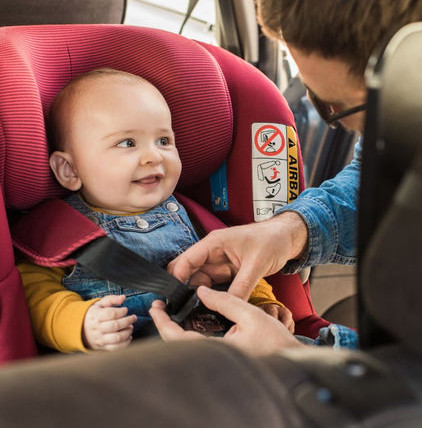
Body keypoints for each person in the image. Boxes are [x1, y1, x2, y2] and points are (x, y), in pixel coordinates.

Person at [149, 0, 422, 355]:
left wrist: (301, 360)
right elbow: (381, 176)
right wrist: (287, 232)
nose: (338, 123)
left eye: (341, 106)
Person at [17, 68, 293, 353]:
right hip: (139, 368)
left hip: (228, 349)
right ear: (69, 169)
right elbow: (36, 297)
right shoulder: (59, 233)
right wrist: (82, 324)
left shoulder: (194, 217)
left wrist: (261, 302)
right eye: (127, 143)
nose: (153, 156)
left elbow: (237, 266)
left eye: (163, 141)